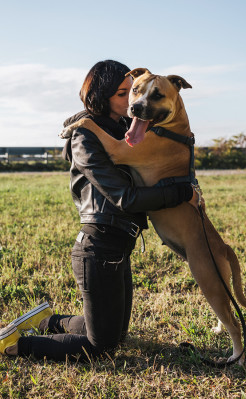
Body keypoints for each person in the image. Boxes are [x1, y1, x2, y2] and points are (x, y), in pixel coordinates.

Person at [0, 60, 198, 361]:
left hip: (120, 245)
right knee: (99, 348)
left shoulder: (127, 129)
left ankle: (46, 321)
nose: (132, 100)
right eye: (124, 93)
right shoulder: (85, 137)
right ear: (101, 96)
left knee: (115, 335)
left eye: (132, 92)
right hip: (98, 247)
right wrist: (181, 192)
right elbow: (125, 199)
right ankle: (13, 345)